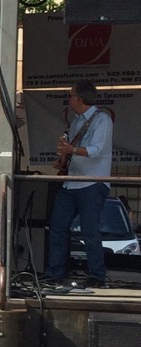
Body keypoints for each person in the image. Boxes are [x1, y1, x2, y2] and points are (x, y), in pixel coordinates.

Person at [44, 80, 114, 292]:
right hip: (71, 182)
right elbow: (73, 150)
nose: (69, 98)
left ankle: (96, 275)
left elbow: (96, 150)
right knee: (57, 227)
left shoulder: (102, 119)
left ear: (80, 98)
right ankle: (54, 273)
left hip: (92, 182)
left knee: (90, 230)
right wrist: (63, 159)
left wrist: (71, 150)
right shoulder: (76, 122)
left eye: (72, 95)